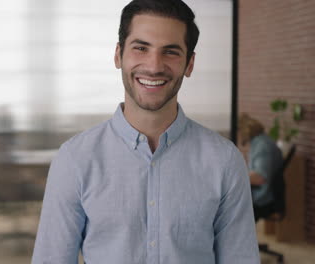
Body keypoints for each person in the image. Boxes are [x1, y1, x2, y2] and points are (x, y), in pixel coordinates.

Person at [32, 1, 259, 263]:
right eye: (141, 48)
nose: (154, 66)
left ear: (189, 64)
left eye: (171, 52)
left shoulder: (224, 161)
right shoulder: (75, 159)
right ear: (118, 55)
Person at [238, 113, 284, 221]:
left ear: (243, 130)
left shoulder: (262, 146)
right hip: (260, 196)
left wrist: (235, 177)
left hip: (261, 200)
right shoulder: (260, 142)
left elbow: (260, 177)